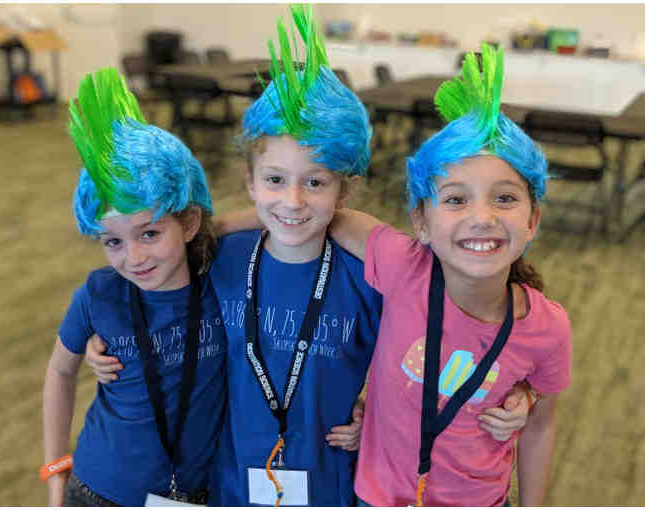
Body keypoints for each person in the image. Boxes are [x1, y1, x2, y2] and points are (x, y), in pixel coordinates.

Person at [84, 8, 533, 506]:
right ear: (250, 181)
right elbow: (154, 287)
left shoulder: (371, 274)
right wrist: (107, 341)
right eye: (275, 180)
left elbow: (448, 340)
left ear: (344, 189)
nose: (293, 202)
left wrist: (519, 394)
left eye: (315, 182)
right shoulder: (221, 257)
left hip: (332, 482)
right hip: (232, 482)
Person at [327, 44, 572, 506]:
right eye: (456, 199)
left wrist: (528, 400)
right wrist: (217, 226)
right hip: (378, 498)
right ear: (421, 222)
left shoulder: (547, 327)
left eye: (505, 198)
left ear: (533, 220)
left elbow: (542, 427)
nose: (482, 217)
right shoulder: (404, 267)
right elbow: (323, 214)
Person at [41, 68, 226, 506]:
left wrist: (216, 226)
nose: (135, 258)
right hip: (98, 490)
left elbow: (279, 221)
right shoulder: (98, 294)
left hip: (198, 491)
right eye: (113, 242)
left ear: (188, 223)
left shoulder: (224, 279)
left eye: (149, 233)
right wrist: (54, 472)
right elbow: (60, 372)